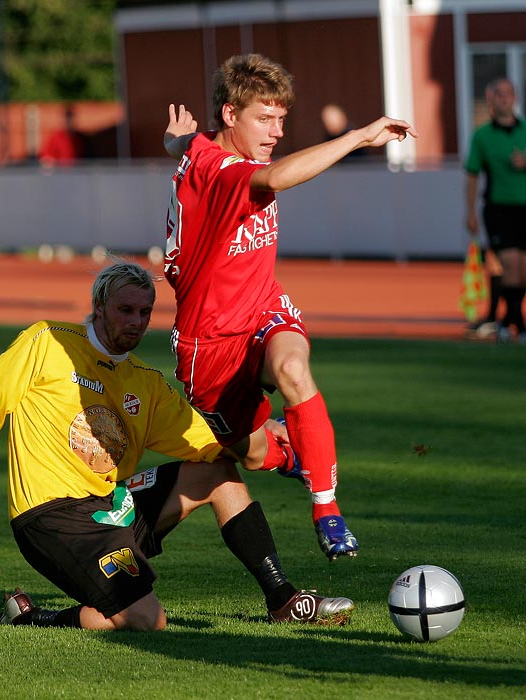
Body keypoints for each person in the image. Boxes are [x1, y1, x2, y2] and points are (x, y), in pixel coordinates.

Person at [0, 261, 355, 630]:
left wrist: (272, 437)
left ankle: (282, 600)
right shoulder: (47, 343)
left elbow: (211, 442)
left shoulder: (144, 382)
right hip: (53, 519)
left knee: (216, 473)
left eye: (145, 313)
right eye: (125, 310)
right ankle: (36, 620)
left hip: (109, 505)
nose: (137, 322)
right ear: (99, 306)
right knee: (149, 620)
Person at [163, 54, 418, 562]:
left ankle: (327, 509)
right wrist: (358, 138)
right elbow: (276, 179)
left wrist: (175, 141)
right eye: (265, 118)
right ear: (231, 114)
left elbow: (191, 145)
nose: (277, 130)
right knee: (252, 455)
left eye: (282, 119)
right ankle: (292, 455)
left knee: (293, 367)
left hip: (262, 308)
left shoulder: (204, 149)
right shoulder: (223, 170)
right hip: (208, 342)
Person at [465, 77, 526, 344]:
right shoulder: (482, 136)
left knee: (522, 270)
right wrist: (470, 211)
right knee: (510, 265)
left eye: (509, 93)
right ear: (490, 99)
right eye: (499, 94)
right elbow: (472, 175)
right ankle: (519, 326)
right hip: (499, 208)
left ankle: (505, 321)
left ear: (515, 98)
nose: (505, 98)